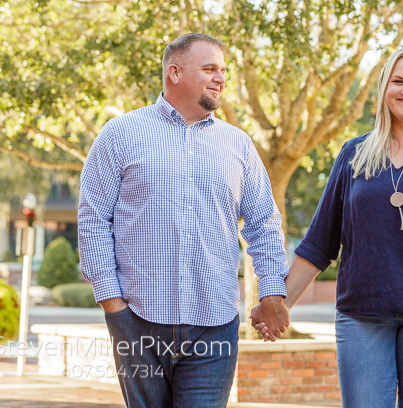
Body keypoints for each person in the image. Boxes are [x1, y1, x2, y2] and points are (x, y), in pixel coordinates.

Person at [253, 47, 403, 407]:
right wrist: (278, 306)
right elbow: (319, 244)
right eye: (398, 81)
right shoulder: (354, 155)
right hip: (362, 317)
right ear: (384, 87)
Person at [78, 33, 290, 408]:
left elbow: (263, 225)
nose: (220, 78)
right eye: (210, 68)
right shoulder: (120, 134)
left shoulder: (238, 144)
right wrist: (112, 304)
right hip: (137, 321)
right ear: (174, 72)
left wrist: (271, 294)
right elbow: (93, 219)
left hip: (216, 325)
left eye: (223, 70)